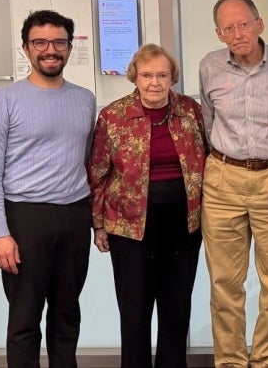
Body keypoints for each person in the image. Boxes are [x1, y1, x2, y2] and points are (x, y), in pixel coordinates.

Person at [0, 9, 96, 368]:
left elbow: (88, 162)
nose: (50, 50)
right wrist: (0, 233)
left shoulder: (85, 98)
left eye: (59, 42)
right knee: (25, 321)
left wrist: (96, 221)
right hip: (25, 219)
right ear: (25, 48)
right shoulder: (5, 100)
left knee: (66, 317)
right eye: (40, 42)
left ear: (69, 47)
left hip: (75, 216)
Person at [199, 0, 268, 368]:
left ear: (260, 24)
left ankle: (267, 360)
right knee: (225, 285)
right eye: (228, 28)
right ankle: (229, 362)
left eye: (244, 24)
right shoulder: (209, 66)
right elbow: (208, 124)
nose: (237, 33)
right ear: (218, 33)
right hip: (223, 180)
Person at [88, 44, 206, 367]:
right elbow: (97, 173)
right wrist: (98, 224)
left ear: (172, 78)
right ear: (135, 78)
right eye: (147, 75)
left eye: (162, 75)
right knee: (135, 312)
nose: (155, 82)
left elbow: (206, 159)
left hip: (183, 226)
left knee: (176, 310)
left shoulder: (190, 111)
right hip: (130, 229)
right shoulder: (113, 116)